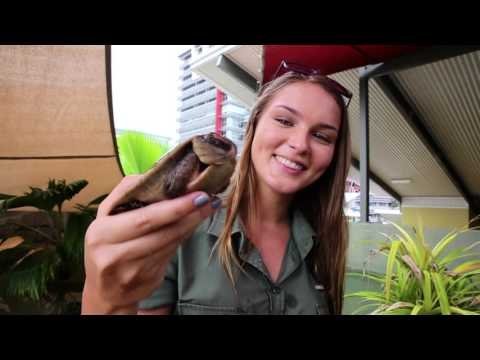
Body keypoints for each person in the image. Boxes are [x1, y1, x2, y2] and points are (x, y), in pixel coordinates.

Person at [81, 61, 352, 315]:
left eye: (321, 136)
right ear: (253, 125)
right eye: (284, 121)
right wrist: (104, 297)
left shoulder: (328, 239)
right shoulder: (180, 224)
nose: (300, 144)